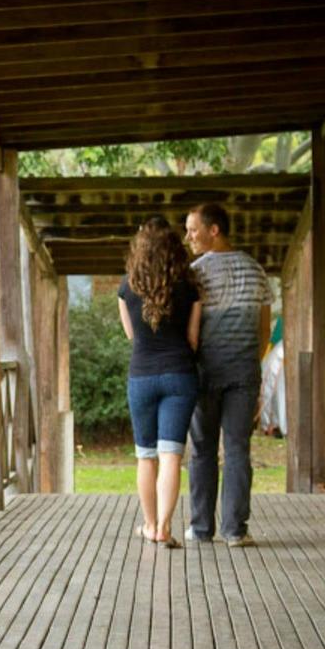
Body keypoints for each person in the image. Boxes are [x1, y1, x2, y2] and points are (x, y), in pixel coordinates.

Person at [183, 203, 272, 547]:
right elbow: (264, 330)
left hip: (206, 371)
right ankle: (235, 530)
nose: (188, 237)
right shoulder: (256, 270)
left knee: (202, 449)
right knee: (237, 449)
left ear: (214, 230)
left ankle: (201, 528)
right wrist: (250, 361)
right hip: (244, 371)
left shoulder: (195, 274)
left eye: (193, 230)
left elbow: (189, 329)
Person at [117, 217, 202, 547]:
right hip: (180, 374)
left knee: (146, 455)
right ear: (174, 247)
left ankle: (150, 525)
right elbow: (193, 339)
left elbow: (131, 335)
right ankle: (165, 527)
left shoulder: (127, 287)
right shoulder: (189, 285)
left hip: (142, 376)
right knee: (171, 455)